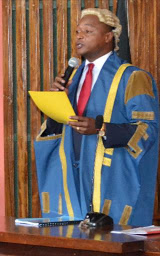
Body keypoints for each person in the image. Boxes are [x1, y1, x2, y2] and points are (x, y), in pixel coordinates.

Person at [34, 8, 158, 226]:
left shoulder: (133, 77)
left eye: (88, 31)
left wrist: (101, 128)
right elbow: (58, 130)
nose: (79, 36)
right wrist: (56, 104)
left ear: (108, 37)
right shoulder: (72, 79)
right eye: (77, 31)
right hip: (74, 174)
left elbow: (148, 129)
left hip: (111, 176)